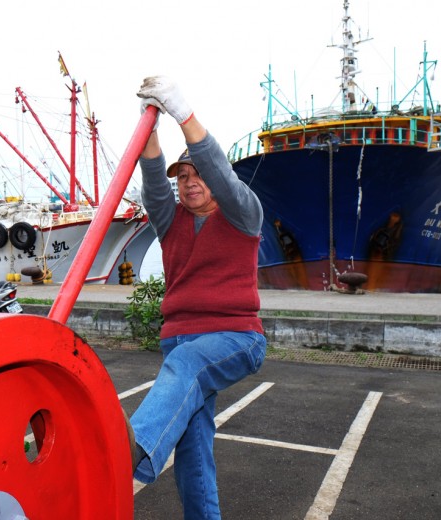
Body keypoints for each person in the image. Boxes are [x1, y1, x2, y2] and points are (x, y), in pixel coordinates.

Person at [128, 76, 266, 519]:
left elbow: (222, 174)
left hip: (235, 337)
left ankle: (127, 453)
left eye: (197, 175)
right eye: (183, 177)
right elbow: (153, 179)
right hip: (181, 341)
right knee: (191, 453)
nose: (190, 183)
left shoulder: (243, 214)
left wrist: (182, 114)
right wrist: (148, 129)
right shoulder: (171, 221)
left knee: (186, 367)